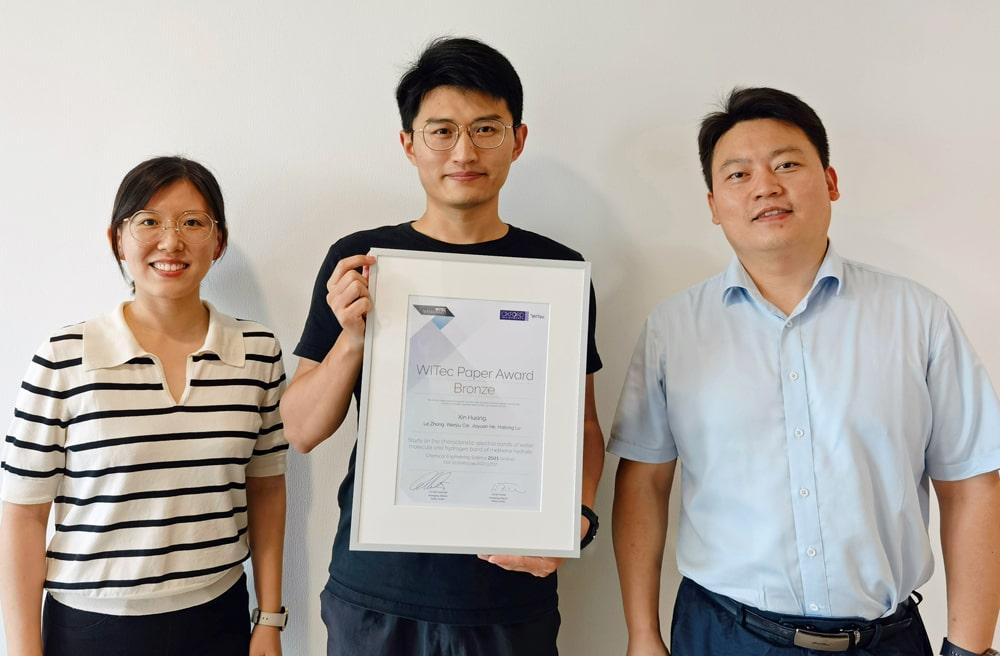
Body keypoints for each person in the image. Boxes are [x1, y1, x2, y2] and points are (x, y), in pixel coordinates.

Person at [609, 87, 1000, 656]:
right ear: (714, 205)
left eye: (787, 164)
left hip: (886, 640)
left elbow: (970, 483)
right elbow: (643, 482)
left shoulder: (919, 318)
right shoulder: (674, 329)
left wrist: (970, 646)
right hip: (723, 635)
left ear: (831, 181)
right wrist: (642, 635)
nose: (765, 185)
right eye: (738, 174)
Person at [280, 37, 604, 656]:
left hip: (510, 596)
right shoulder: (363, 261)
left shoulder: (557, 272)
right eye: (442, 131)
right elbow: (300, 427)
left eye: (486, 129)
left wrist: (577, 522)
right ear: (409, 144)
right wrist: (353, 336)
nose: (464, 151)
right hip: (378, 592)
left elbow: (583, 424)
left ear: (518, 138)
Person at [0, 157, 289, 656]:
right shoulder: (65, 358)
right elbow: (24, 516)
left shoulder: (257, 352)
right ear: (117, 239)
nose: (171, 241)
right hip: (91, 627)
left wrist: (269, 618)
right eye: (148, 221)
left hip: (218, 616)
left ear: (218, 242)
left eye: (192, 222)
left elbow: (266, 488)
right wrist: (24, 649)